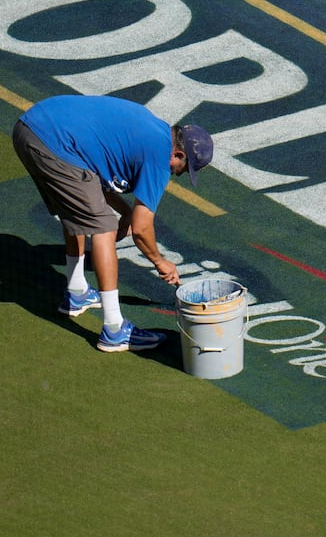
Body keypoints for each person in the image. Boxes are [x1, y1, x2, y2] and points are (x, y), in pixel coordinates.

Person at [11, 95, 213, 351]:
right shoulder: (158, 156)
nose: (178, 174)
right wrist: (159, 261)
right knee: (104, 227)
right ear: (178, 154)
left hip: (30, 128)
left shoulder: (149, 131)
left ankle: (76, 293)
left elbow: (92, 179)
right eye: (183, 169)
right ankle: (114, 330)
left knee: (76, 210)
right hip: (55, 142)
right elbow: (141, 230)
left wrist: (125, 211)